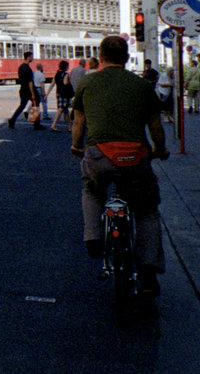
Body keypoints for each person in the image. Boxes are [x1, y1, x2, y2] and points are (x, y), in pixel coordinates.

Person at [71, 35, 169, 296]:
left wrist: (77, 147)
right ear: (127, 58)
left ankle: (92, 236)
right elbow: (155, 126)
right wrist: (160, 149)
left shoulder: (87, 83)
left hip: (99, 154)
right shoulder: (142, 86)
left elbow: (78, 122)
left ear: (100, 57)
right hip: (135, 157)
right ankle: (148, 273)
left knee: (92, 190)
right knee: (146, 210)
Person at [9, 51, 43, 129]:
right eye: (31, 56)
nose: (32, 58)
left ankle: (13, 119)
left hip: (22, 89)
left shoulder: (21, 67)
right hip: (29, 90)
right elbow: (30, 82)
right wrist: (33, 93)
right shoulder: (28, 68)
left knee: (22, 105)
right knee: (36, 103)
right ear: (28, 57)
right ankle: (36, 123)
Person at [49, 59, 73, 132]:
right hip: (65, 94)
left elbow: (52, 84)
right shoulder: (65, 74)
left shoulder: (57, 74)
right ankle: (53, 125)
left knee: (65, 111)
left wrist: (47, 93)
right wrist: (69, 80)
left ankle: (70, 127)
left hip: (58, 93)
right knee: (61, 109)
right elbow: (65, 83)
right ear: (66, 67)